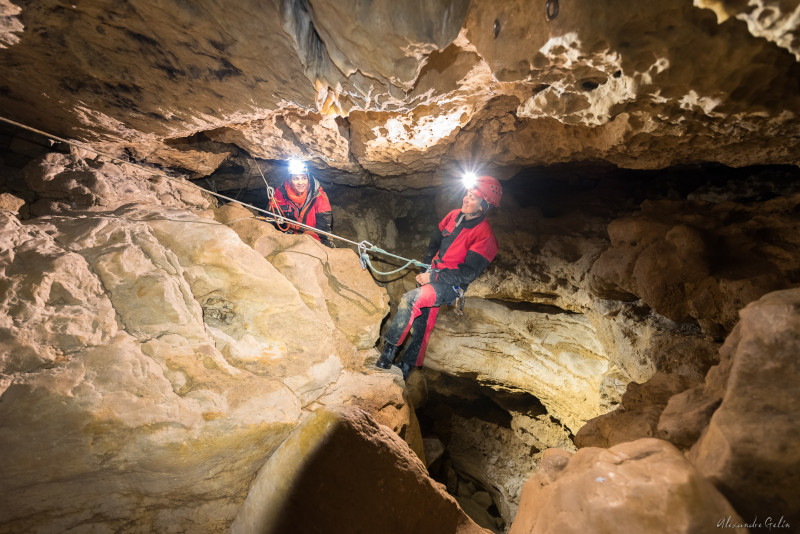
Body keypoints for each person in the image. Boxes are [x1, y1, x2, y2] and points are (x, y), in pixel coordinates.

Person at [374, 175, 502, 379]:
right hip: (433, 274)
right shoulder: (453, 216)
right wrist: (425, 269)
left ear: (483, 206)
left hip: (451, 285)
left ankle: (387, 355)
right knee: (424, 322)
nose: (465, 199)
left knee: (410, 299)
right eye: (466, 194)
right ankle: (407, 366)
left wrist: (433, 276)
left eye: (472, 198)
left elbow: (467, 274)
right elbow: (434, 243)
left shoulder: (485, 236)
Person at [273, 159, 334, 247]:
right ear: (290, 180)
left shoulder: (319, 197)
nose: (300, 183)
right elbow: (271, 220)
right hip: (287, 239)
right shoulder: (280, 194)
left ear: (308, 179)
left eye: (304, 178)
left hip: (312, 241)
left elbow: (325, 230)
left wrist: (327, 248)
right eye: (296, 178)